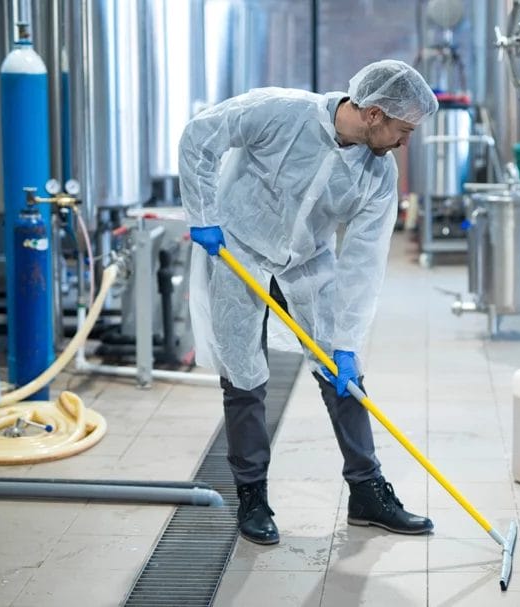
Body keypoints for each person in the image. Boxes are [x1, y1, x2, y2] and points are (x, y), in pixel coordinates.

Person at [179, 60, 439, 545]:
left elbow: (364, 263)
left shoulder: (379, 174)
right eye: (403, 131)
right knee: (243, 378)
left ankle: (367, 493)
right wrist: (203, 213)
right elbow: (201, 136)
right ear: (375, 114)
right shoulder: (279, 112)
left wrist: (347, 342)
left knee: (344, 377)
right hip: (239, 249)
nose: (405, 143)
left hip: (305, 264)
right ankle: (251, 495)